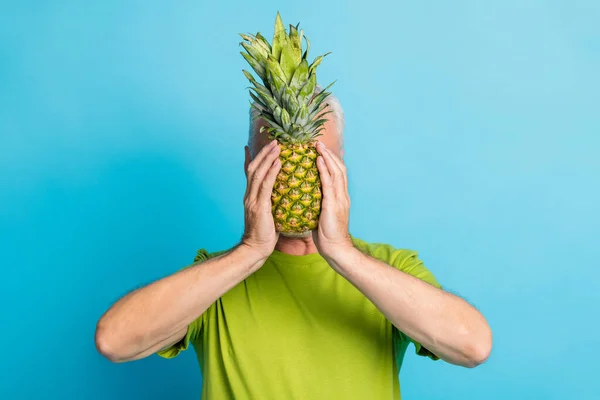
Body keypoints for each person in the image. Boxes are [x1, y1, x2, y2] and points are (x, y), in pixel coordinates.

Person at [95, 91, 492, 399]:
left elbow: (472, 345)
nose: (294, 178)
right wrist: (249, 252)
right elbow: (114, 340)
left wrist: (344, 254)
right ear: (250, 163)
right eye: (277, 161)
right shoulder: (214, 278)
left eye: (314, 159)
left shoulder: (388, 266)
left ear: (341, 163)